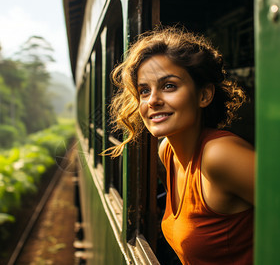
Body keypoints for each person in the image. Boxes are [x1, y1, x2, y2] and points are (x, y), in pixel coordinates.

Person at [105, 26, 255, 265]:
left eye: (169, 86)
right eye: (144, 91)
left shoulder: (219, 155)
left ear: (204, 96)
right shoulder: (167, 151)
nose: (152, 100)